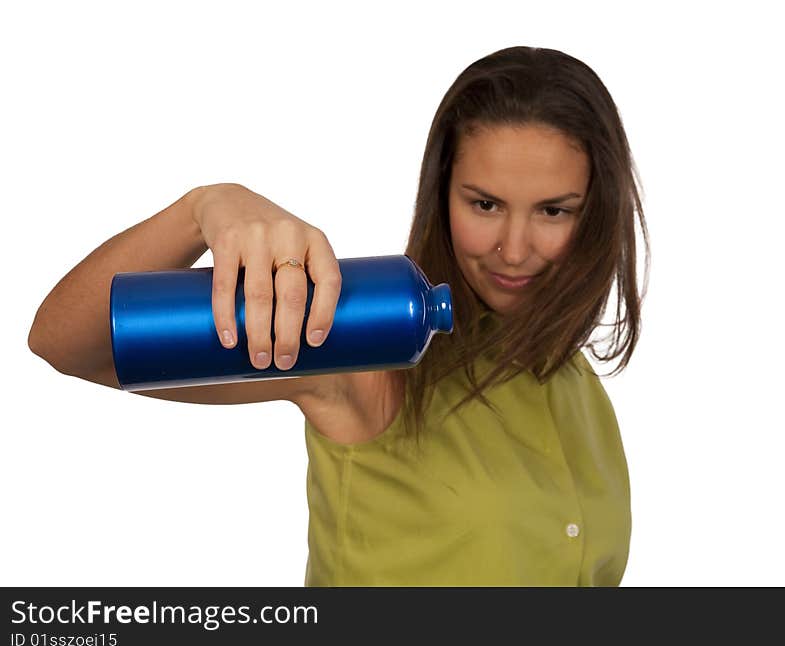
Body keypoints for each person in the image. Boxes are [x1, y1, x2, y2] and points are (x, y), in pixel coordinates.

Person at [28, 45, 649, 586]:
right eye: (484, 203)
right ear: (443, 195)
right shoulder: (368, 347)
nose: (513, 249)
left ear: (595, 211)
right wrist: (204, 206)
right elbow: (69, 342)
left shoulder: (578, 387)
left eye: (553, 211)